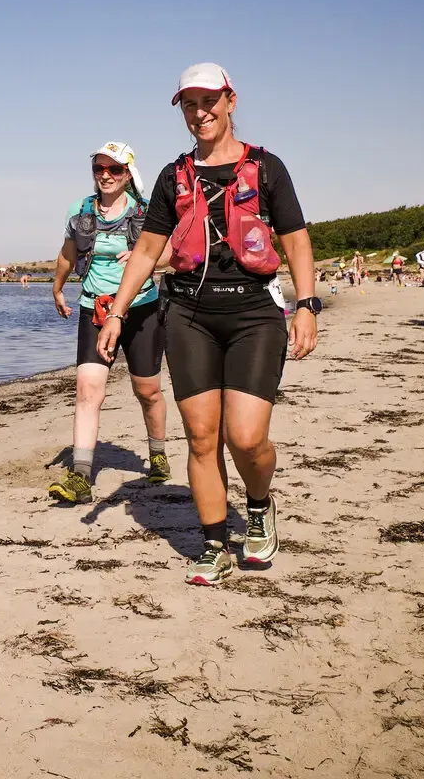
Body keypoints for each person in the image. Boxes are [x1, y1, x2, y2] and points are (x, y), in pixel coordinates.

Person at [98, 63, 318, 587]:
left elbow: (296, 239)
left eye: (208, 101)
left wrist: (306, 304)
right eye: (189, 105)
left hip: (253, 315)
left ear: (230, 100)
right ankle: (214, 542)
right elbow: (149, 248)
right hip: (190, 316)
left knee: (245, 438)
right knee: (201, 437)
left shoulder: (267, 168)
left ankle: (260, 506)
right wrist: (119, 314)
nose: (200, 113)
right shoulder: (175, 177)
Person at [47, 142, 168, 504]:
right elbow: (68, 254)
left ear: (128, 173)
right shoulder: (81, 211)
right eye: (100, 168)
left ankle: (158, 453)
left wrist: (146, 257)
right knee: (87, 389)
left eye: (115, 169)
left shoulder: (147, 211)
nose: (106, 175)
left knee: (147, 391)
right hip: (94, 308)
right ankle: (81, 476)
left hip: (141, 307)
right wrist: (57, 289)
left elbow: (173, 254)